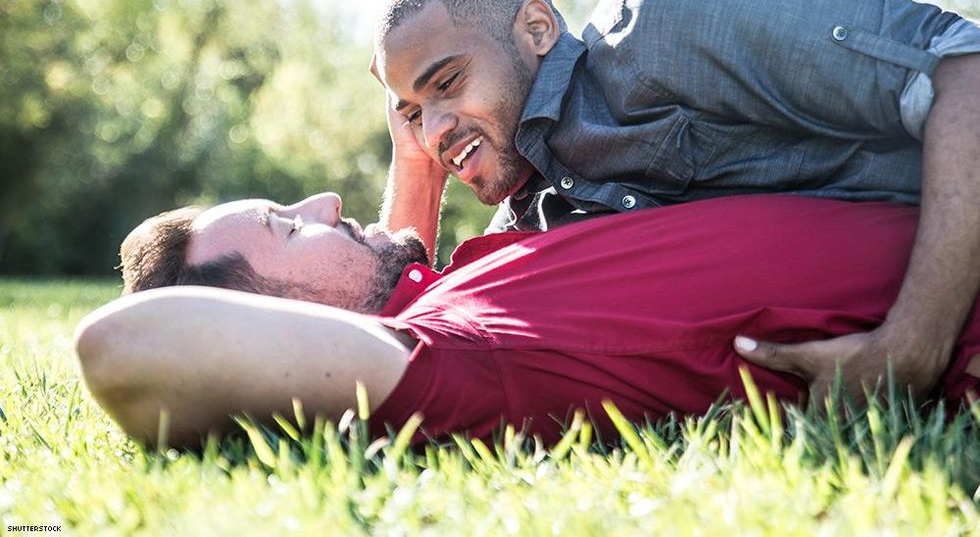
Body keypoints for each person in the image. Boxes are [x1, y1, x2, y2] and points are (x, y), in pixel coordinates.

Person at [370, 0, 980, 402]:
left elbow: (963, 66)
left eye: (447, 84)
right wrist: (416, 165)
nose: (434, 129)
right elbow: (402, 326)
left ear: (537, 28)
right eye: (414, 113)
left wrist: (914, 343)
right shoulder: (532, 228)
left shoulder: (672, 14)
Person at [76, 192, 980, 449]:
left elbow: (380, 264)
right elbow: (120, 347)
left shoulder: (443, 289)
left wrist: (411, 166)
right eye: (285, 224)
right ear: (263, 326)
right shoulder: (454, 357)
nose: (323, 199)